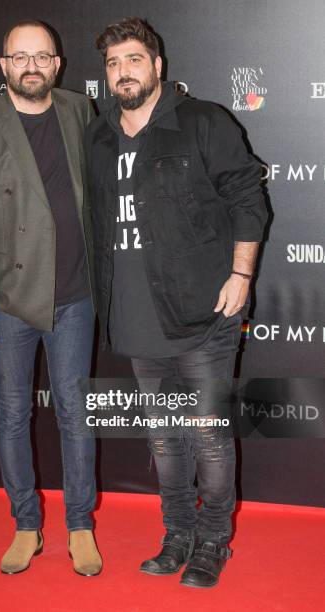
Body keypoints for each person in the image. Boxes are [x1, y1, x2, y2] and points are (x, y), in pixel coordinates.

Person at [85, 17, 267, 588]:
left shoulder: (204, 122)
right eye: (113, 64)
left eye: (134, 60)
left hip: (204, 312)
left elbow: (247, 199)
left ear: (158, 66)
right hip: (136, 317)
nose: (123, 72)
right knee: (165, 438)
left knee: (209, 433)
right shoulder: (99, 137)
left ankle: (214, 540)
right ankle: (178, 534)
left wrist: (241, 274)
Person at [0, 19, 102, 577]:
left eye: (42, 56)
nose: (31, 65)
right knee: (12, 415)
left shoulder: (78, 110)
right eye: (20, 57)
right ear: (4, 65)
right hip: (10, 298)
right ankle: (26, 524)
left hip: (75, 295)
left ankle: (80, 524)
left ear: (57, 64)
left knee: (75, 415)